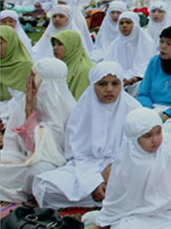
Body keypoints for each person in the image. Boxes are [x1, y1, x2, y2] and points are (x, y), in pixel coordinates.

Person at [33, 62, 141, 208]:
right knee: (43, 186)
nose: (109, 89)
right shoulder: (82, 110)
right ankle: (110, 199)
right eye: (102, 84)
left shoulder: (134, 110)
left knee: (138, 182)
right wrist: (94, 182)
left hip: (123, 167)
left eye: (115, 84)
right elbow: (78, 154)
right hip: (87, 168)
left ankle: (110, 198)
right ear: (93, 86)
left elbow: (140, 150)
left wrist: (112, 168)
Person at [0, 58, 75, 202]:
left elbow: (47, 150)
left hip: (56, 164)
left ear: (44, 81)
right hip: (25, 158)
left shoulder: (69, 108)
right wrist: (28, 107)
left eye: (33, 76)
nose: (29, 80)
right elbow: (14, 143)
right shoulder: (28, 100)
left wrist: (29, 112)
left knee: (40, 170)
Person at [106, 11, 155, 95]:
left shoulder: (146, 42)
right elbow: (108, 64)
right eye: (121, 23)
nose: (124, 26)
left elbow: (149, 67)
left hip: (139, 81)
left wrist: (132, 80)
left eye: (128, 22)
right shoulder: (115, 43)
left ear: (135, 24)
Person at [50, 29, 93, 100]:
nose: (55, 48)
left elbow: (81, 101)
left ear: (72, 46)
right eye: (53, 44)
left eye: (60, 44)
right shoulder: (61, 66)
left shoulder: (85, 70)